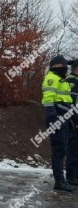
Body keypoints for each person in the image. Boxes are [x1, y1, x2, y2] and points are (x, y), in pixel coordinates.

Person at [42, 55, 75, 192]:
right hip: (56, 118)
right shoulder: (51, 78)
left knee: (63, 150)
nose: (66, 68)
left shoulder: (63, 80)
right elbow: (48, 99)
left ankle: (62, 180)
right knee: (58, 150)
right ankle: (59, 181)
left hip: (65, 118)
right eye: (64, 66)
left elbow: (67, 102)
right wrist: (52, 117)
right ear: (57, 66)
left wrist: (71, 119)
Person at [65, 59, 78, 186]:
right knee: (73, 150)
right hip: (74, 122)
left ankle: (75, 176)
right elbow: (71, 104)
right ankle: (71, 177)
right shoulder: (72, 82)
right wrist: (75, 120)